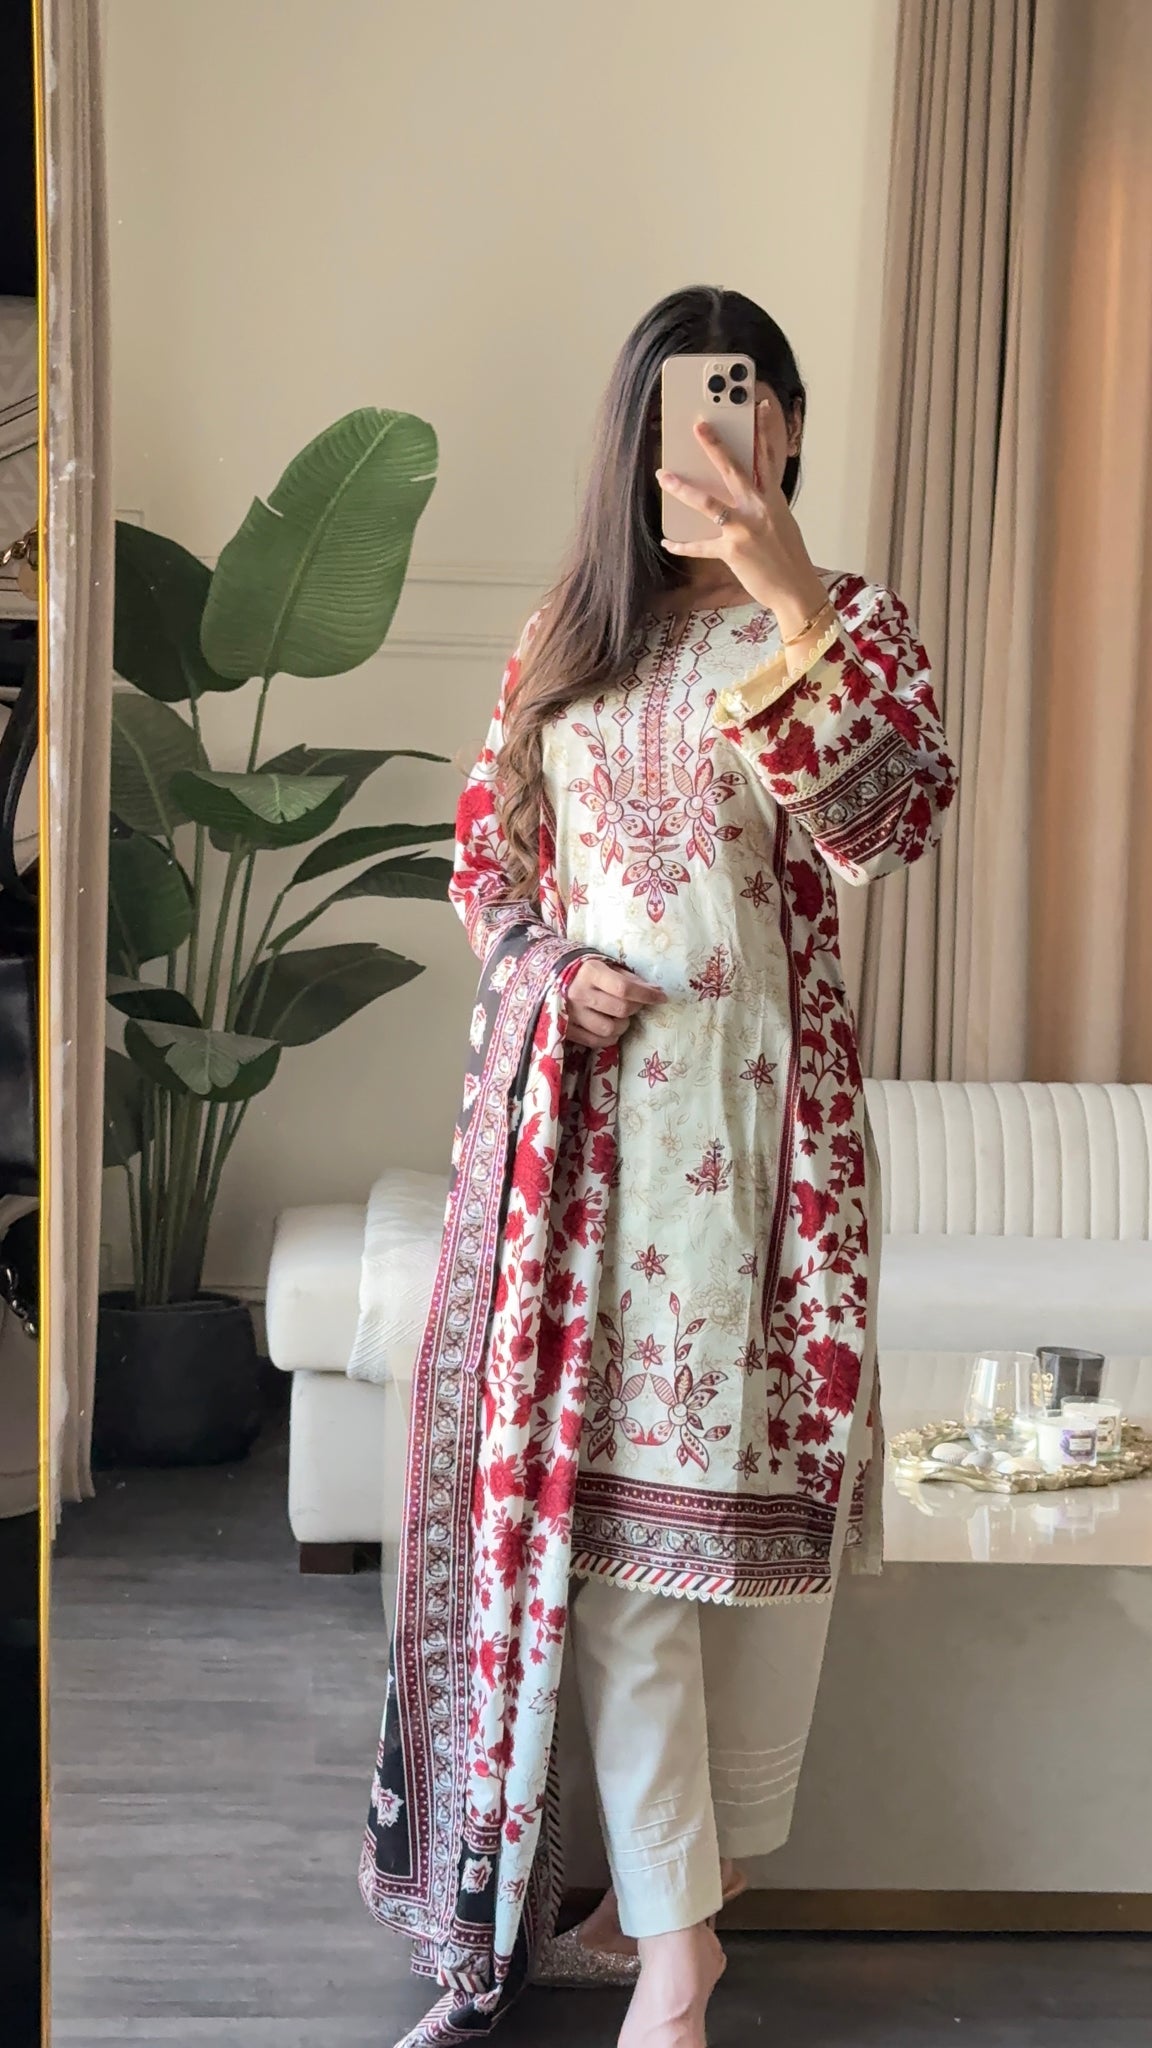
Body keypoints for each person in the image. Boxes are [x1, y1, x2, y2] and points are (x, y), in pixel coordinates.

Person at [361, 286, 957, 2048]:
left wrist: (791, 598)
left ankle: (679, 1896)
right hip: (586, 1156)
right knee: (614, 1552)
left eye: (745, 399)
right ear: (634, 437)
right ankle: (678, 1959)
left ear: (786, 427)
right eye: (682, 405)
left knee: (759, 1562)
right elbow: (486, 858)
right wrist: (547, 968)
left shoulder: (852, 622)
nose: (712, 431)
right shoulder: (569, 632)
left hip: (772, 1162)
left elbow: (887, 829)